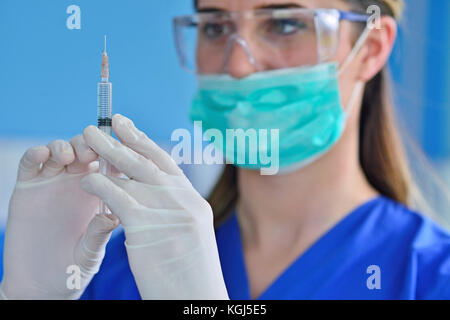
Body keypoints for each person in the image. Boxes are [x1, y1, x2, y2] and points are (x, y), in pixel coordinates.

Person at [1, 0, 449, 300]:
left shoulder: (429, 278)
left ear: (370, 49)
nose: (237, 64)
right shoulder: (116, 269)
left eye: (284, 23)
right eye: (215, 26)